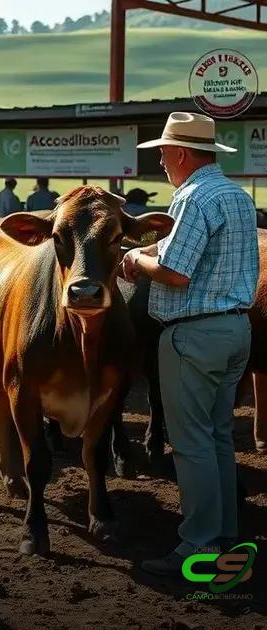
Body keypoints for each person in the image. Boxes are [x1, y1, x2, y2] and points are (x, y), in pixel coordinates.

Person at [122, 112, 258, 576]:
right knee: (218, 435)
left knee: (191, 442)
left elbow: (177, 274)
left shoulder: (193, 198)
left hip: (195, 333)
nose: (160, 162)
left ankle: (198, 545)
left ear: (180, 154)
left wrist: (138, 260)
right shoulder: (236, 197)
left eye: (162, 153)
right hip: (236, 328)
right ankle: (225, 534)